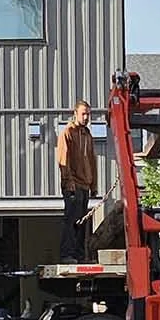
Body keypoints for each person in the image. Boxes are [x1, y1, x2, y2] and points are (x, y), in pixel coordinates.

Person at [56, 100, 99, 263]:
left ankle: (80, 256)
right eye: (83, 114)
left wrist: (93, 184)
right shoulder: (68, 132)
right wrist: (68, 181)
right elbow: (63, 158)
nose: (86, 117)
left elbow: (92, 161)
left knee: (82, 222)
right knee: (71, 220)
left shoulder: (87, 135)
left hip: (85, 184)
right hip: (73, 185)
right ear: (75, 114)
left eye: (88, 114)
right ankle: (67, 254)